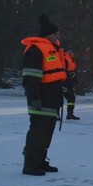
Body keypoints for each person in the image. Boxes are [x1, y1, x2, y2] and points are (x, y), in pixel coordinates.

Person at [20, 15, 66, 176]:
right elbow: (30, 77)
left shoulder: (54, 50)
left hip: (52, 99)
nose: (58, 37)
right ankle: (30, 165)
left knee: (46, 134)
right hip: (40, 98)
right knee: (38, 132)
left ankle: (40, 161)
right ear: (47, 35)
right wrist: (34, 98)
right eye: (56, 34)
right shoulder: (36, 50)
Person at [62, 49, 79, 120]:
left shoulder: (72, 60)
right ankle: (55, 115)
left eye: (72, 51)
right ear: (65, 51)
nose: (71, 52)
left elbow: (74, 70)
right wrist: (69, 75)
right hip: (64, 82)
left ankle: (70, 114)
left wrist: (75, 78)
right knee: (59, 98)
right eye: (69, 51)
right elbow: (62, 69)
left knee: (71, 98)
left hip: (70, 82)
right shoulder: (64, 59)